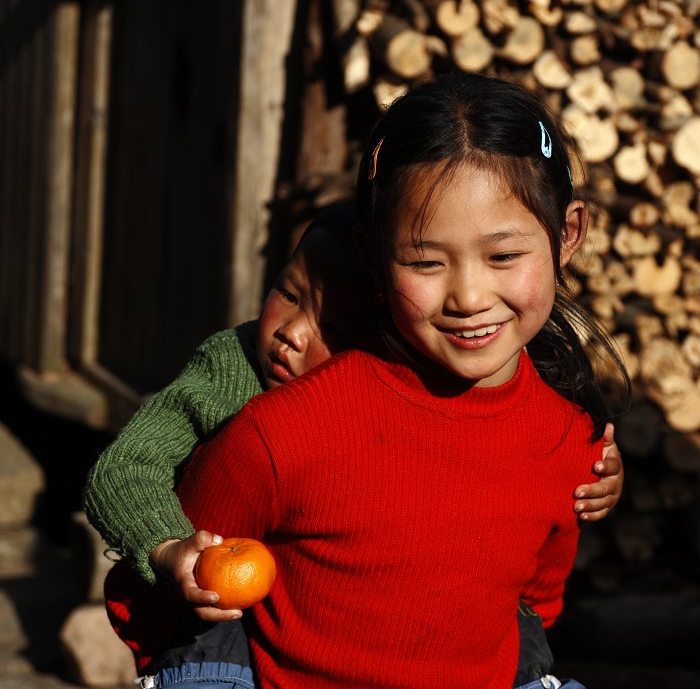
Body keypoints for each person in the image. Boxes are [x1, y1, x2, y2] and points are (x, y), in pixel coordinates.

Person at [141, 72, 631, 688]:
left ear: (568, 236)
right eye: (425, 262)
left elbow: (532, 609)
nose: (470, 297)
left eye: (503, 256)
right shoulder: (283, 433)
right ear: (373, 256)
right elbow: (166, 598)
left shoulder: (571, 444)